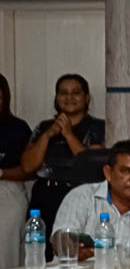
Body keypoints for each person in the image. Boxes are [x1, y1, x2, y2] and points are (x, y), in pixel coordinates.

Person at [20, 73, 105, 242]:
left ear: (86, 98)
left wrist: (68, 134)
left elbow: (92, 167)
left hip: (78, 195)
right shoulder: (44, 127)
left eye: (76, 93)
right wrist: (47, 135)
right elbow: (28, 167)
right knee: (41, 250)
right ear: (56, 98)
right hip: (44, 195)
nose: (69, 97)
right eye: (63, 93)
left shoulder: (98, 126)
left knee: (72, 249)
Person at [0, 73, 33, 269]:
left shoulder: (17, 128)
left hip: (8, 193)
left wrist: (1, 173)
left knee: (6, 251)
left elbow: (31, 170)